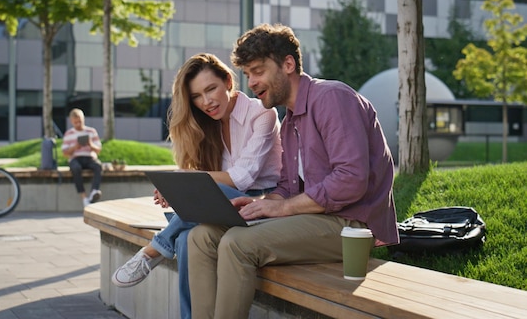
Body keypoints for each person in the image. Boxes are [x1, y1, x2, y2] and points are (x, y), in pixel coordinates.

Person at [187, 23, 399, 319]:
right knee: (202, 236)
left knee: (238, 244)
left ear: (288, 64)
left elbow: (351, 180)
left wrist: (284, 208)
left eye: (258, 71)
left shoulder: (332, 98)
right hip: (314, 218)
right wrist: (261, 205)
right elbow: (287, 186)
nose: (252, 83)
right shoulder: (290, 122)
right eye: (247, 74)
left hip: (351, 225)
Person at [111, 53, 282, 319]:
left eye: (211, 89)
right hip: (225, 204)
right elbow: (214, 178)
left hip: (262, 204)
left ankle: (155, 249)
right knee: (186, 240)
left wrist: (185, 180)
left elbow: (242, 178)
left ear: (227, 81)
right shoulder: (207, 124)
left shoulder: (262, 114)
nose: (207, 102)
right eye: (196, 96)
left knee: (198, 209)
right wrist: (181, 187)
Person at [61, 108, 103, 207]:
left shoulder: (91, 131)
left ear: (83, 119)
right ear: (72, 121)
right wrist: (75, 147)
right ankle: (84, 197)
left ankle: (94, 191)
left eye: (80, 121)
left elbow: (98, 150)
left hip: (89, 157)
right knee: (75, 168)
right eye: (76, 122)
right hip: (75, 158)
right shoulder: (68, 134)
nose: (78, 124)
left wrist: (90, 144)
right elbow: (64, 153)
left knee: (98, 166)